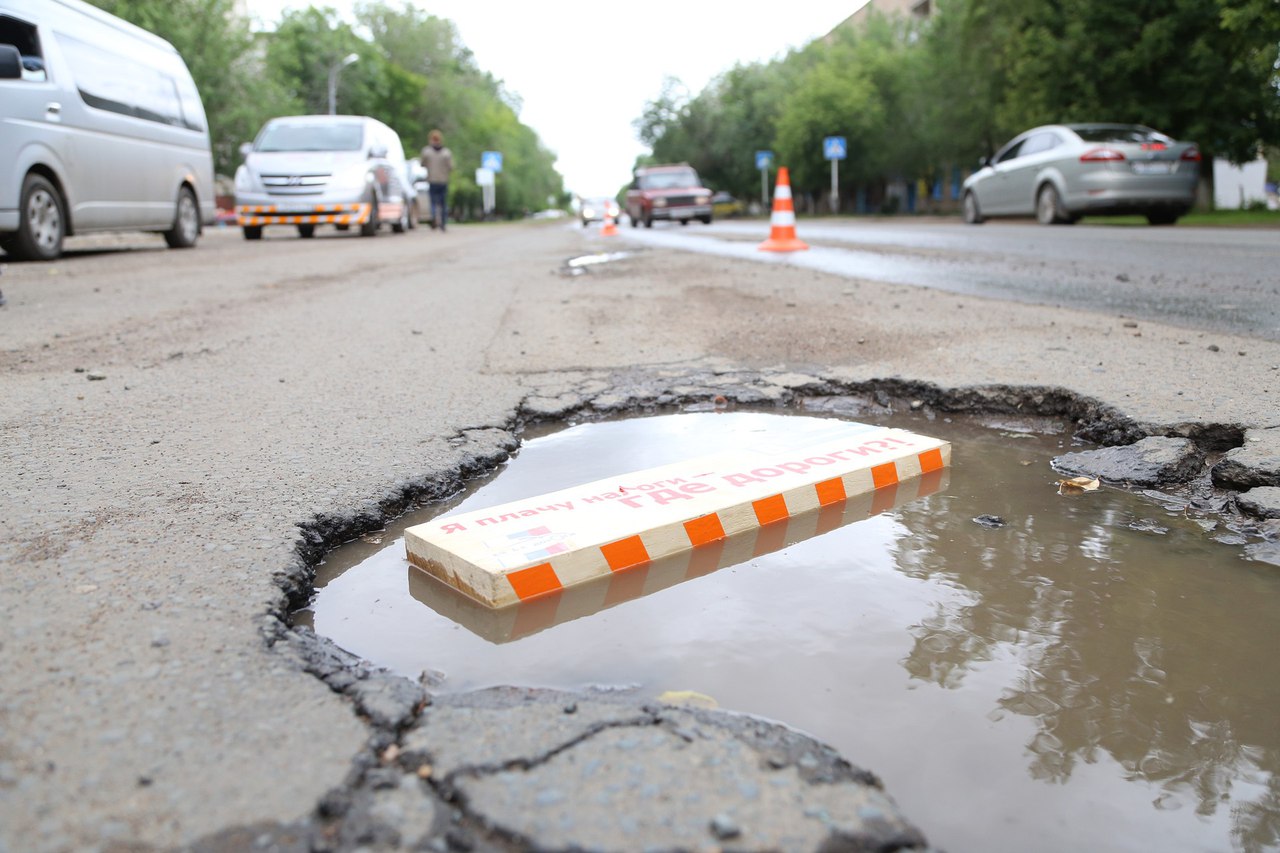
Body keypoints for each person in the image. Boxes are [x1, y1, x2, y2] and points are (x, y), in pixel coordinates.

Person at [419, 130, 453, 232]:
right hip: (443, 181)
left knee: (433, 202)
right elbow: (451, 167)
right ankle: (443, 224)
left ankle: (434, 217)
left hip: (432, 180)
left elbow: (422, 164)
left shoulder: (427, 152)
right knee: (443, 203)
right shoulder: (446, 153)